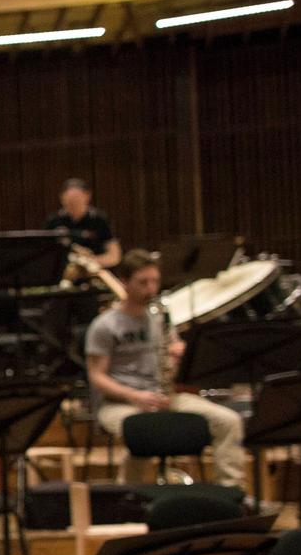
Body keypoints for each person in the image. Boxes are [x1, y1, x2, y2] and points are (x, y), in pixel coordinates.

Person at [85, 249, 245, 486]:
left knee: (229, 420)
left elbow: (172, 351)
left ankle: (232, 492)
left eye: (155, 282)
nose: (151, 289)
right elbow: (96, 376)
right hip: (122, 403)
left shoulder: (159, 317)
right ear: (125, 282)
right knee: (143, 431)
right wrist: (136, 396)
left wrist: (179, 354)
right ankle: (131, 498)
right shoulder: (105, 326)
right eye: (143, 282)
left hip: (164, 396)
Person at [46, 177, 121, 268]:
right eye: (70, 200)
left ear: (87, 196)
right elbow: (45, 253)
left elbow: (114, 256)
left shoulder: (99, 219)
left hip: (93, 268)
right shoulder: (54, 220)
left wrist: (89, 261)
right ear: (62, 198)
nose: (73, 203)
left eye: (77, 199)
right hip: (63, 271)